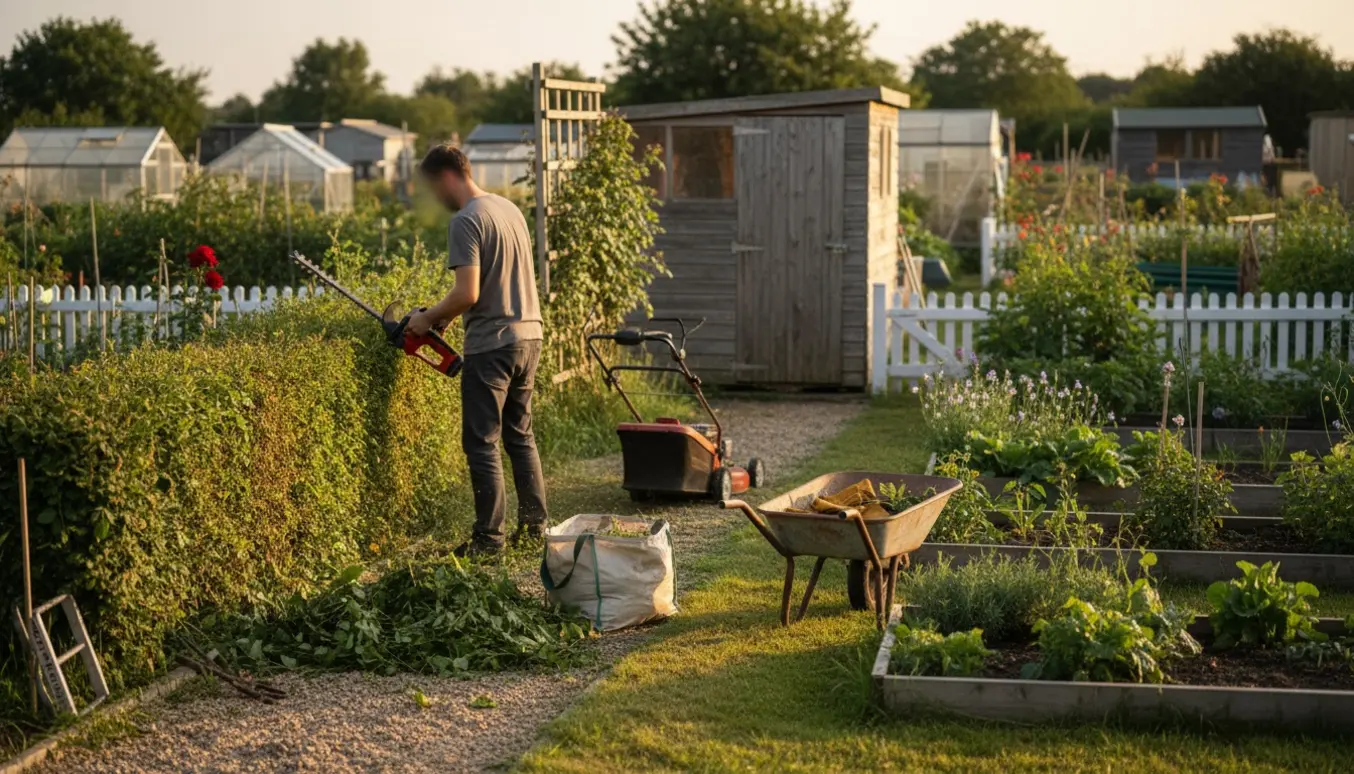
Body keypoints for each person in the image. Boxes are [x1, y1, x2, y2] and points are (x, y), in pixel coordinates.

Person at [406, 144, 548, 557]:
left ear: (447, 176)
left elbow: (466, 291)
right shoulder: (507, 208)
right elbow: (496, 280)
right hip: (529, 335)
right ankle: (535, 526)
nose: (437, 197)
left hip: (493, 344)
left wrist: (426, 318)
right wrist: (447, 316)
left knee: (482, 442)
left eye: (434, 187)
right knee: (520, 436)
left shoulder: (466, 220)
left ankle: (489, 541)